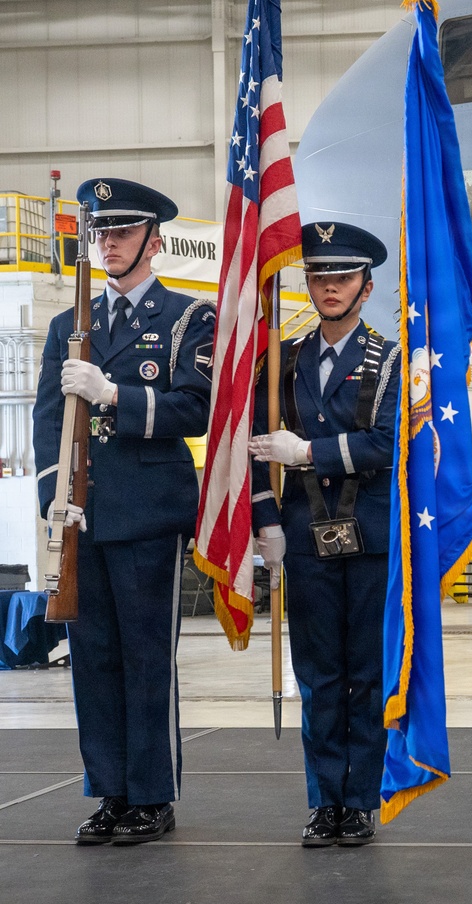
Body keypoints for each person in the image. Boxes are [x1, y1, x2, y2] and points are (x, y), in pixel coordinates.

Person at [33, 178, 216, 844]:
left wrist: (113, 394)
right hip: (85, 516)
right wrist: (57, 499)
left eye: (123, 231)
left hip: (148, 512)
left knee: (145, 659)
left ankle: (152, 795)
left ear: (154, 240)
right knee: (93, 659)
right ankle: (109, 790)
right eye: (102, 232)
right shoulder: (67, 327)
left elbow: (195, 410)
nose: (110, 242)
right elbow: (47, 420)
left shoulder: (187, 319)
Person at [248, 221, 400, 847]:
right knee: (317, 676)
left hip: (368, 537)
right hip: (305, 535)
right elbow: (257, 445)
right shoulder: (284, 360)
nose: (329, 285)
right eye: (319, 275)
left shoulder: (390, 359)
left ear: (367, 286)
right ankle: (323, 801)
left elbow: (385, 444)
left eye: (343, 275)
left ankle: (359, 800)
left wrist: (308, 451)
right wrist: (264, 521)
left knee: (364, 674)